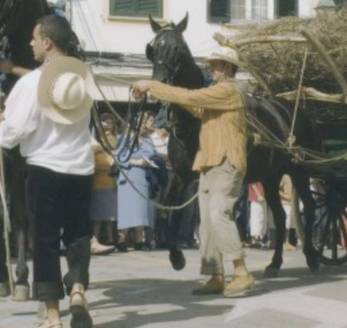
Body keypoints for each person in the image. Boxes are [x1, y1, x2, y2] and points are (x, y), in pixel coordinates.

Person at [0, 15, 98, 328]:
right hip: (81, 167)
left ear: (48, 42)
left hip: (45, 168)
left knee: (46, 241)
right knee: (79, 235)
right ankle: (77, 287)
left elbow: (15, 132)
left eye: (35, 38)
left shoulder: (30, 83)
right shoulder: (83, 80)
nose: (31, 43)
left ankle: (53, 316)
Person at [132, 46, 255, 298]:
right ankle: (215, 274)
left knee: (218, 214)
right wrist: (171, 96)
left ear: (228, 68)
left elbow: (193, 99)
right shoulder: (216, 93)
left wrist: (153, 86)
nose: (210, 68)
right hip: (209, 161)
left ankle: (241, 272)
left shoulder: (229, 89)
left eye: (215, 65)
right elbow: (197, 108)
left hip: (226, 160)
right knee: (207, 221)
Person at [115, 113, 159, 251]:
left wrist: (146, 160)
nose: (145, 123)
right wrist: (137, 161)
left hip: (142, 177)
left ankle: (140, 241)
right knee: (126, 209)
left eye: (145, 121)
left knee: (141, 210)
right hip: (127, 177)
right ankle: (121, 240)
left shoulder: (147, 139)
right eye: (143, 121)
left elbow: (152, 153)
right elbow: (118, 157)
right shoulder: (125, 138)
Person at [90, 115, 117, 253]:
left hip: (110, 184)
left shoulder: (111, 151)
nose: (108, 135)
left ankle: (111, 238)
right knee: (98, 216)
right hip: (98, 184)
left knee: (109, 216)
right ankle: (95, 238)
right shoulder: (96, 149)